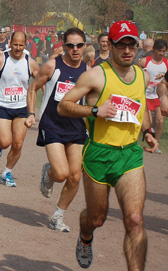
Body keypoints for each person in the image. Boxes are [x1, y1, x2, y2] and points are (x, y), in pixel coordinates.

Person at [58, 20, 158, 270]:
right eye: (121, 45)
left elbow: (141, 109)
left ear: (137, 47)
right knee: (97, 218)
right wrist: (94, 110)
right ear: (111, 46)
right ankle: (85, 235)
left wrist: (147, 131)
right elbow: (63, 105)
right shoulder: (95, 76)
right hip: (98, 155)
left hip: (130, 156)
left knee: (135, 220)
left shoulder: (142, 76)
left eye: (131, 45)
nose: (127, 51)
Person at [25, 28, 89, 233]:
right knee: (61, 173)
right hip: (51, 125)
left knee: (75, 176)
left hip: (76, 128)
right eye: (70, 45)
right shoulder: (53, 66)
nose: (75, 49)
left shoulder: (88, 72)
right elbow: (33, 87)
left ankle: (57, 216)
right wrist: (31, 113)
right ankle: (49, 173)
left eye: (79, 45)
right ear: (63, 45)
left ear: (85, 46)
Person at [0, 31, 39, 187]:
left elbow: (40, 82)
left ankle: (7, 172)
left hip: (21, 107)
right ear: (10, 43)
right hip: (3, 105)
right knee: (6, 142)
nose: (18, 48)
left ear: (26, 45)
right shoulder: (1, 59)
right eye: (15, 44)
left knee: (18, 144)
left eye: (21, 45)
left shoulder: (30, 62)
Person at [137, 39, 167, 152]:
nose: (161, 53)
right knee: (148, 122)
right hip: (146, 96)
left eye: (164, 51)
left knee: (160, 121)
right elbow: (134, 72)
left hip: (158, 96)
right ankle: (148, 140)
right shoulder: (144, 61)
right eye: (159, 51)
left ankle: (156, 143)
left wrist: (163, 75)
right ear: (154, 49)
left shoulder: (166, 63)